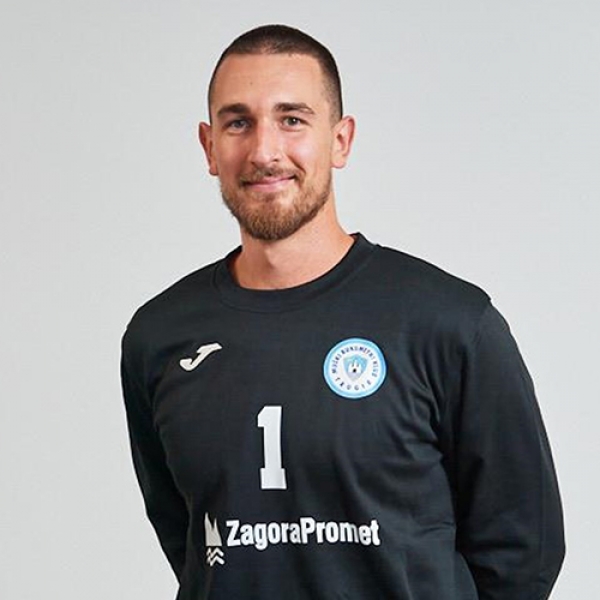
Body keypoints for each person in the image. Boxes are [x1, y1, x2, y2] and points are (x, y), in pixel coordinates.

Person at [121, 24, 565, 600]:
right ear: (209, 147)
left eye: (292, 120)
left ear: (340, 140)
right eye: (238, 123)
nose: (264, 151)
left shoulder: (450, 323)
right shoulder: (160, 336)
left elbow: (523, 552)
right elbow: (190, 540)